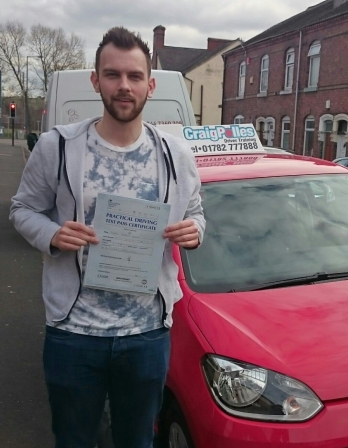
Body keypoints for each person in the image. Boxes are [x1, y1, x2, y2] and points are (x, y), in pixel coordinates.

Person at [10, 27, 205, 448]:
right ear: (96, 81)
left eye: (134, 76)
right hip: (74, 333)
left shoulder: (176, 155)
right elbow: (22, 210)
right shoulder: (56, 147)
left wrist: (195, 231)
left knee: (136, 441)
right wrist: (53, 233)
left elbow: (195, 214)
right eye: (113, 75)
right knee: (74, 440)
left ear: (149, 85)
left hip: (147, 334)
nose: (124, 86)